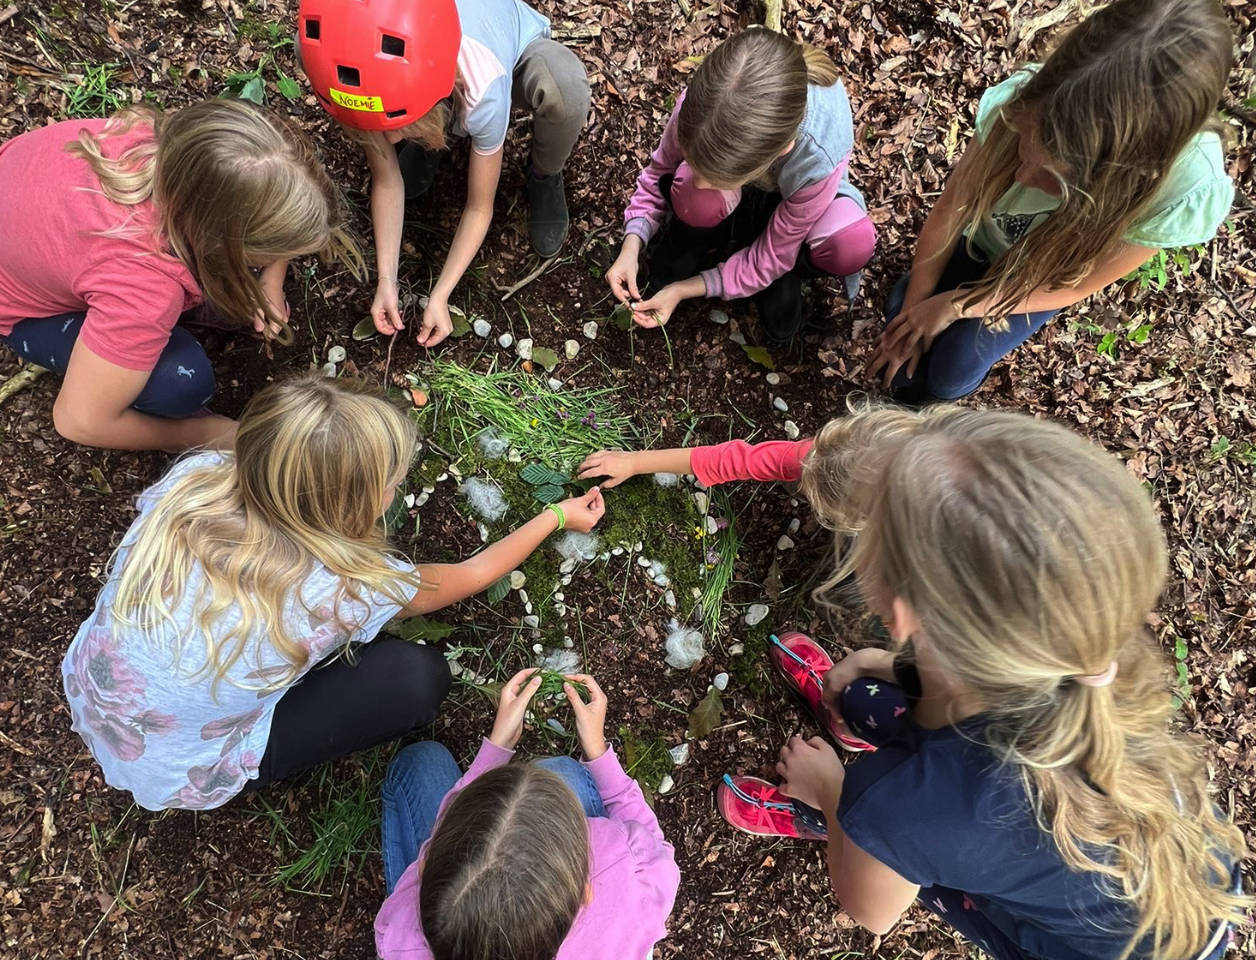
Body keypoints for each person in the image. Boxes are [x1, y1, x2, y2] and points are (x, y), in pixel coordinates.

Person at [683, 405, 1245, 960]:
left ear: (898, 610)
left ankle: (823, 821)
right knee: (867, 712)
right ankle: (867, 779)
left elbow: (870, 914)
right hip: (1141, 885)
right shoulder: (1076, 652)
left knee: (899, 844)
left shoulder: (925, 809)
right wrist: (880, 661)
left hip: (1064, 941)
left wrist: (832, 792)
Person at [61, 373, 607, 811]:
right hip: (185, 765)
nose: (398, 489)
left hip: (99, 690)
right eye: (391, 483)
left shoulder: (196, 480)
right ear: (350, 504)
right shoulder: (346, 589)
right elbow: (469, 575)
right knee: (417, 678)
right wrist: (555, 516)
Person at [868, 0, 1235, 402]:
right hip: (981, 243)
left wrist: (956, 306)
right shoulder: (1030, 98)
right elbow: (951, 210)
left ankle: (937, 396)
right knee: (903, 317)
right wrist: (918, 308)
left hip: (1037, 277)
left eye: (1054, 180)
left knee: (950, 373)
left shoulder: (1182, 192)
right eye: (1027, 151)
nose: (1024, 178)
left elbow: (1075, 284)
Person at [0, 99, 359, 450]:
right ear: (215, 239)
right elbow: (79, 420)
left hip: (9, 209)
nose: (280, 259)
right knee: (182, 382)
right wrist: (212, 434)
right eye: (274, 252)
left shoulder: (189, 149)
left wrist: (270, 279)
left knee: (231, 303)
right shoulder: (144, 287)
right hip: (11, 302)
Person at [297, 0, 591, 346]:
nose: (387, 141)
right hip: (419, 80)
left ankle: (543, 173)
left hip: (501, 51)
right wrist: (386, 280)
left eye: (399, 128)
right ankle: (429, 139)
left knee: (564, 90)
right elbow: (387, 179)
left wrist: (441, 295)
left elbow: (480, 208)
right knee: (405, 140)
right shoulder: (334, 56)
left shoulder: (485, 90)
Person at [374, 668, 679, 960]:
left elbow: (443, 841)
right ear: (585, 893)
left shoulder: (405, 941)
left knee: (422, 763)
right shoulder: (622, 869)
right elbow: (651, 844)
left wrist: (493, 752)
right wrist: (598, 753)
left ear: (426, 868)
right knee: (564, 774)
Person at [605, 27, 876, 343]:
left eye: (714, 177)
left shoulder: (818, 153)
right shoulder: (705, 106)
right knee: (696, 196)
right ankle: (699, 234)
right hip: (751, 172)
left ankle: (788, 274)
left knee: (849, 241)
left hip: (801, 201)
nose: (701, 181)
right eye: (696, 165)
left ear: (776, 156)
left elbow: (773, 254)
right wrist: (632, 244)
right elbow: (659, 172)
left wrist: (684, 288)